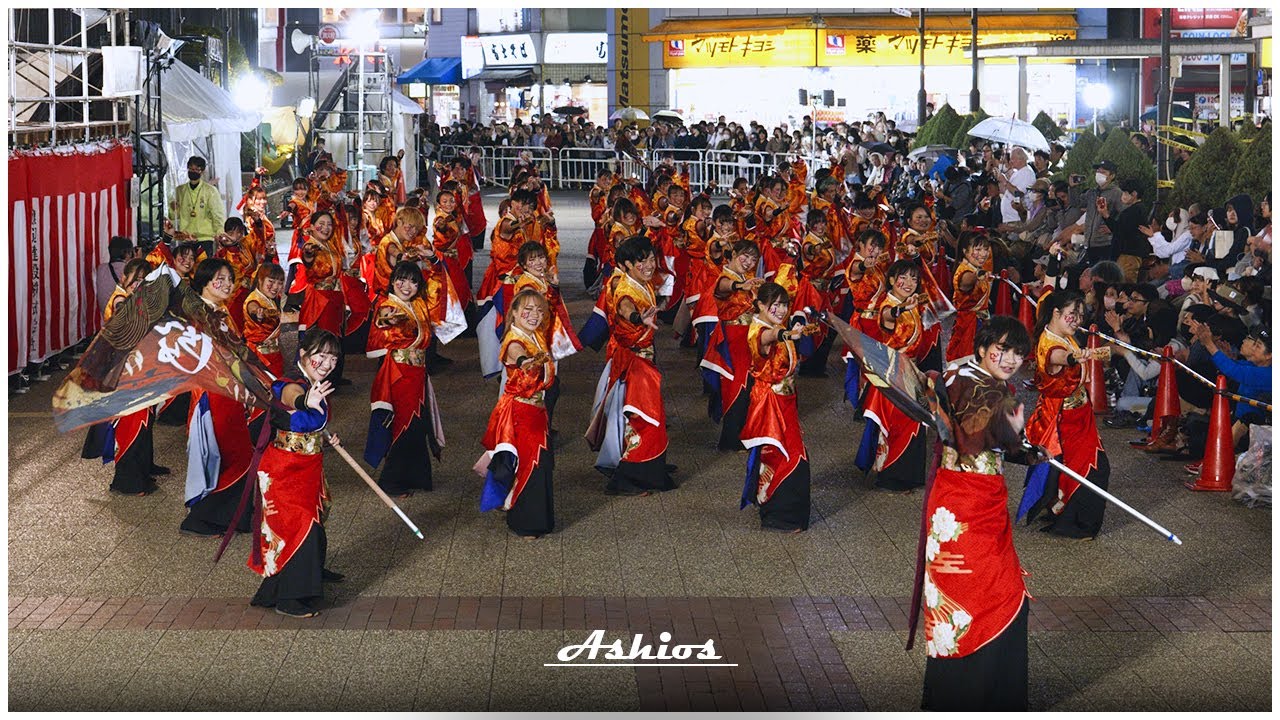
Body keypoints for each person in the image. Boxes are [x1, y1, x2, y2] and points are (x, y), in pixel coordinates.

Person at [919, 316, 1039, 711]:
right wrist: (1015, 435)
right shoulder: (968, 382)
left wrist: (1025, 447)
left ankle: (991, 694)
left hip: (985, 500)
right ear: (984, 344)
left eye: (1018, 353)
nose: (1009, 358)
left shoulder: (984, 382)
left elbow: (997, 434)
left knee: (1001, 592)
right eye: (1001, 349)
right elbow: (974, 430)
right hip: (961, 507)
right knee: (981, 595)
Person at [248, 330, 345, 618]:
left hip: (308, 464)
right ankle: (289, 599)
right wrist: (305, 402)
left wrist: (324, 435)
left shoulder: (317, 382)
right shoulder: (289, 382)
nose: (327, 363)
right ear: (303, 354)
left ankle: (310, 573)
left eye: (333, 358)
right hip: (285, 469)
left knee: (314, 518)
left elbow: (305, 424)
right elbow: (292, 398)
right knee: (298, 524)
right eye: (321, 356)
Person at [585, 236, 678, 495]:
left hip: (641, 358)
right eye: (642, 261)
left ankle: (650, 464)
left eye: (651, 259)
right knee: (641, 417)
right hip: (634, 361)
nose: (649, 265)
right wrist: (638, 318)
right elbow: (625, 307)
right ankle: (633, 474)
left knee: (645, 416)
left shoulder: (639, 282)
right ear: (626, 264)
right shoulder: (625, 288)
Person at [1020, 291, 1111, 540]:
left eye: (1080, 316)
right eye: (1072, 315)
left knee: (1073, 467)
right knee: (1091, 469)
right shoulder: (1050, 344)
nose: (1076, 320)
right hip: (1065, 419)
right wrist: (1074, 357)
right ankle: (1079, 523)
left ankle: (1064, 514)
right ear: (1056, 313)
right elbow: (1057, 358)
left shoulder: (1063, 335)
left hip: (1079, 415)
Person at [181, 259, 257, 536]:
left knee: (234, 451)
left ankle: (230, 515)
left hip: (230, 392)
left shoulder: (220, 312)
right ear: (204, 282)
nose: (227, 284)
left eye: (229, 279)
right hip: (214, 393)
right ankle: (203, 516)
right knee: (224, 452)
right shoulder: (199, 315)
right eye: (219, 279)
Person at [475, 289, 557, 538]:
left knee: (539, 462)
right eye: (528, 310)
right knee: (530, 464)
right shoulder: (514, 340)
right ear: (514, 313)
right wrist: (524, 362)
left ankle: (535, 518)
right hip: (521, 412)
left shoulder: (536, 336)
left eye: (539, 310)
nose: (534, 315)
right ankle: (525, 521)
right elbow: (517, 355)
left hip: (536, 411)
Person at [364, 261, 447, 497]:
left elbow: (437, 293)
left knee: (418, 424)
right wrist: (389, 318)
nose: (406, 285)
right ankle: (391, 481)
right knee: (403, 424)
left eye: (413, 280)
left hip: (417, 373)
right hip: (400, 374)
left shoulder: (419, 304)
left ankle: (416, 476)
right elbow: (384, 318)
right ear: (392, 281)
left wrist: (434, 262)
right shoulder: (389, 305)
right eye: (401, 279)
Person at [82, 258, 164, 496]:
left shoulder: (137, 299)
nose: (140, 283)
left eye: (144, 280)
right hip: (124, 374)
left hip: (140, 370)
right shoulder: (120, 300)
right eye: (135, 278)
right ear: (123, 278)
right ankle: (127, 481)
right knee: (131, 423)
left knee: (145, 421)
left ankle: (144, 468)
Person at [740, 282, 816, 532]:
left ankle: (781, 514)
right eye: (775, 305)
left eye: (784, 304)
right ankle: (779, 516)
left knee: (789, 454)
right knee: (785, 455)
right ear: (760, 305)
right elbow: (767, 338)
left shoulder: (778, 325)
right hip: (771, 403)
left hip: (786, 401)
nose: (781, 310)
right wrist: (784, 334)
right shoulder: (759, 331)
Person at [856, 260, 938, 492]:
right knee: (899, 424)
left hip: (908, 370)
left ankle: (905, 475)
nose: (909, 283)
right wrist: (902, 308)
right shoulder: (889, 304)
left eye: (914, 279)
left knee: (911, 423)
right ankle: (891, 476)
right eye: (903, 277)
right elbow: (888, 317)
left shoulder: (910, 305)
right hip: (892, 372)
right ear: (891, 280)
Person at [945, 232, 994, 364]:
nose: (983, 254)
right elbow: (967, 281)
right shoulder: (964, 271)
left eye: (985, 249)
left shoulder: (975, 267)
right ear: (965, 252)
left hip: (980, 322)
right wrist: (977, 275)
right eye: (978, 249)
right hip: (969, 326)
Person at [169, 156, 226, 254]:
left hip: (205, 238)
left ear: (202, 171)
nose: (193, 171)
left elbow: (218, 215)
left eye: (196, 169)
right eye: (191, 169)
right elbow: (174, 216)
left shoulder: (210, 191)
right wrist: (173, 208)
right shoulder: (180, 190)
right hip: (186, 238)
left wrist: (219, 235)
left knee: (203, 268)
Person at [242, 263, 288, 377]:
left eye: (280, 283)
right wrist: (260, 314)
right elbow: (255, 310)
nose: (276, 287)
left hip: (274, 353)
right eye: (271, 281)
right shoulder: (253, 300)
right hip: (260, 356)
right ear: (260, 280)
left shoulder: (270, 299)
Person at [94, 236, 137, 315]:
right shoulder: (129, 270)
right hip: (124, 317)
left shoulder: (101, 269)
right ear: (127, 253)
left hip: (106, 315)